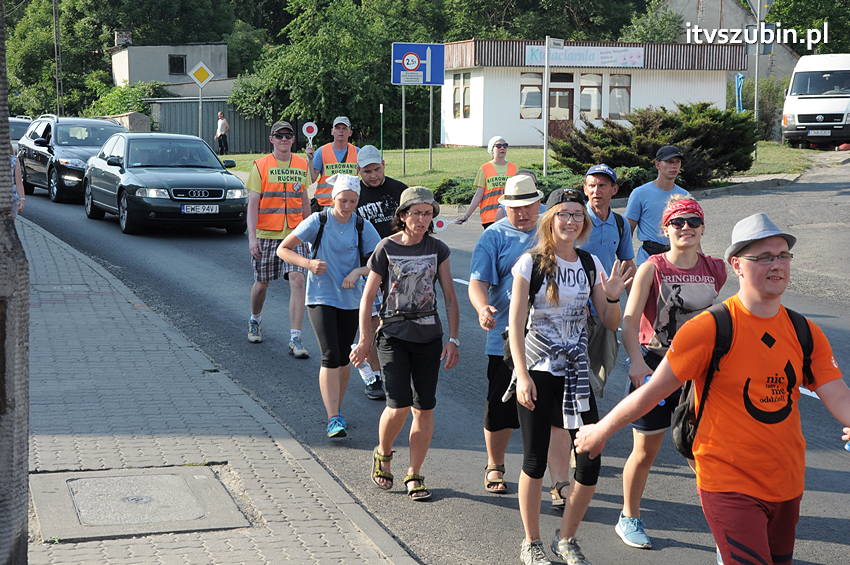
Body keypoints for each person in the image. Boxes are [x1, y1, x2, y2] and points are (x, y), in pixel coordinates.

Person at [576, 213, 850, 564]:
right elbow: (654, 390)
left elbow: (836, 391)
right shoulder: (710, 328)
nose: (776, 264)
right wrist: (601, 430)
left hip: (787, 482)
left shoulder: (804, 331)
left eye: (782, 255)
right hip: (728, 480)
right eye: (763, 257)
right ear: (736, 264)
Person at [509, 189, 631, 565]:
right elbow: (515, 324)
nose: (571, 221)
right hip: (538, 370)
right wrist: (522, 374)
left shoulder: (590, 262)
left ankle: (567, 538)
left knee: (590, 459)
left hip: (576, 374)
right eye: (563, 214)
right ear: (550, 220)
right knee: (533, 460)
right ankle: (532, 543)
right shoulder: (530, 263)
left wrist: (611, 297)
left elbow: (609, 324)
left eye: (577, 215)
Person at [615, 196, 726, 550]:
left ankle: (729, 533)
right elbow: (629, 322)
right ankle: (628, 517)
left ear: (703, 227)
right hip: (655, 365)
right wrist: (635, 361)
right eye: (678, 223)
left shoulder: (716, 268)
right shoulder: (653, 268)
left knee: (702, 453)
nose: (686, 229)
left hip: (697, 372)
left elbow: (716, 320)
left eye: (693, 222)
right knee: (646, 451)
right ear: (666, 228)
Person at [351, 186, 460, 502]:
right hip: (394, 335)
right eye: (417, 213)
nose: (423, 219)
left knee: (424, 407)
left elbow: (451, 298)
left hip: (429, 337)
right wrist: (364, 339)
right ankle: (384, 453)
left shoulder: (438, 249)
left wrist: (453, 338)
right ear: (403, 216)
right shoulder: (386, 248)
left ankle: (415, 472)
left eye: (428, 214)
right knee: (397, 405)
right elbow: (369, 296)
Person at [278, 174, 380, 438]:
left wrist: (358, 272)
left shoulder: (362, 225)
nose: (347, 206)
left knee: (343, 357)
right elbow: (284, 249)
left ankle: (337, 408)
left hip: (351, 299)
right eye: (343, 200)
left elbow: (379, 261)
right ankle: (333, 417)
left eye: (352, 201)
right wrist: (309, 264)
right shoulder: (318, 220)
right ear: (333, 198)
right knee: (330, 354)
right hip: (321, 296)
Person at [468, 174, 545, 495]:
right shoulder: (494, 237)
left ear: (538, 204)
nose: (523, 213)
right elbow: (477, 283)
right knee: (500, 406)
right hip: (504, 336)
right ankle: (495, 464)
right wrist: (483, 308)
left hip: (549, 338)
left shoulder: (550, 233)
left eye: (528, 206)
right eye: (515, 207)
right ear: (505, 206)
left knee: (546, 408)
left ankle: (547, 473)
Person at [246, 121, 311, 359]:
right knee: (262, 284)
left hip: (294, 235)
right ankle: (255, 319)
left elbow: (304, 201)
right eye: (279, 136)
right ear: (271, 139)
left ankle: (295, 337)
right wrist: (252, 238)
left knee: (297, 280)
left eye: (288, 135)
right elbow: (253, 204)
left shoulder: (301, 164)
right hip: (267, 234)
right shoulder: (261, 165)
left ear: (294, 140)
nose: (284, 139)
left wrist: (310, 232)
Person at [354, 145, 408, 400]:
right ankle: (375, 376)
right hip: (369, 267)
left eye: (376, 169)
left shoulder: (400, 191)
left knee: (398, 321)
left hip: (402, 266)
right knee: (373, 322)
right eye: (367, 171)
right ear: (358, 171)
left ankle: (398, 371)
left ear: (384, 165)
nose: (373, 175)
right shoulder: (355, 194)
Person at [625, 145, 690, 265]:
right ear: (657, 164)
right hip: (648, 258)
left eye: (677, 162)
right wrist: (626, 262)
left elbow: (691, 230)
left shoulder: (685, 195)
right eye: (669, 162)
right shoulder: (640, 193)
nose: (674, 166)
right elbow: (627, 230)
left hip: (677, 258)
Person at [456, 135, 517, 229]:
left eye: (505, 146)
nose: (502, 148)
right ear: (492, 149)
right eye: (499, 146)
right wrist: (466, 216)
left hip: (509, 217)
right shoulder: (484, 169)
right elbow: (478, 195)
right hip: (490, 218)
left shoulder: (514, 168)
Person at [310, 116, 358, 209]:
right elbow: (312, 178)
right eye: (337, 128)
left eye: (344, 128)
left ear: (350, 132)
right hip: (326, 205)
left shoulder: (358, 152)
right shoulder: (321, 151)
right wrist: (310, 160)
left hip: (349, 205)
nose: (341, 131)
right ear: (332, 131)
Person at [10, 142, 25, 217]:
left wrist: (22, 199)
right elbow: (19, 182)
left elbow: (19, 182)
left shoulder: (14, 160)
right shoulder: (14, 160)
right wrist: (22, 200)